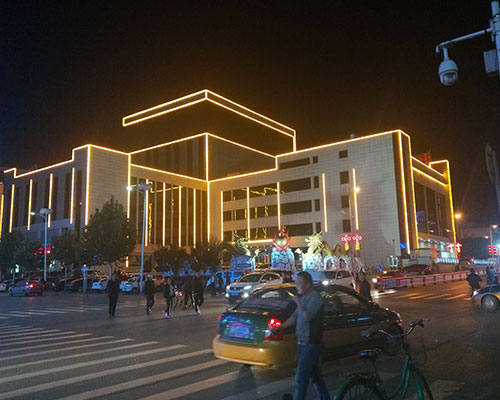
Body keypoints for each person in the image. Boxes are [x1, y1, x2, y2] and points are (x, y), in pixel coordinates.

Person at [272, 271, 331, 400]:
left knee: (301, 379)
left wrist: (298, 303)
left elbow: (307, 316)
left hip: (310, 344)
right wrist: (280, 327)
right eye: (296, 283)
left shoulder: (314, 298)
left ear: (308, 284)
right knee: (316, 377)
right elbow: (295, 317)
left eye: (299, 283)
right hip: (302, 343)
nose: (297, 285)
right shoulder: (303, 297)